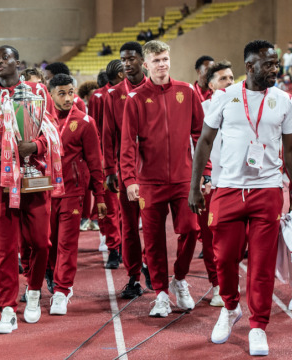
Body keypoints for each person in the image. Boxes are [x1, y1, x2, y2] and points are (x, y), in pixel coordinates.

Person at [189, 40, 292, 356]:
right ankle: (230, 308)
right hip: (228, 189)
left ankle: (258, 326)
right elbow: (204, 143)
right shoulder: (225, 97)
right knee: (224, 258)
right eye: (269, 64)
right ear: (250, 66)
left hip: (268, 189)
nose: (275, 69)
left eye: (277, 64)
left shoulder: (284, 101)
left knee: (261, 265)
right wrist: (195, 187)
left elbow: (291, 149)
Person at [0, 45, 57, 333]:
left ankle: (33, 291)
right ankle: (7, 307)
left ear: (18, 63)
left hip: (34, 179)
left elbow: (52, 130)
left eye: (5, 57)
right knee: (5, 250)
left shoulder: (38, 92)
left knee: (41, 243)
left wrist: (35, 146)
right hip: (2, 184)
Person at [120, 40, 207, 317]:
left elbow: (201, 135)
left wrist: (205, 172)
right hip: (150, 182)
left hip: (184, 180)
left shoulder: (187, 91)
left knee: (192, 229)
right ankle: (159, 293)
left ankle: (179, 278)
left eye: (165, 59)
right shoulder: (135, 99)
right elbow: (127, 143)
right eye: (156, 60)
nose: (162, 65)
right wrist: (130, 179)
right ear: (146, 65)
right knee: (155, 241)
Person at [47, 74, 106, 315]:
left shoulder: (85, 122)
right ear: (50, 95)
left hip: (72, 192)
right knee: (45, 244)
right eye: (61, 93)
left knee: (67, 244)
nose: (67, 98)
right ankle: (50, 278)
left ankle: (62, 290)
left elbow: (95, 161)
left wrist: (100, 196)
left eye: (70, 92)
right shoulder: (40, 121)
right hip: (44, 192)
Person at [102, 42, 149, 298]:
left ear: (142, 60)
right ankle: (133, 277)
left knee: (153, 226)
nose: (127, 63)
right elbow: (107, 135)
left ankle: (153, 267)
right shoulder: (113, 94)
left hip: (154, 171)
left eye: (132, 59)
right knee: (129, 227)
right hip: (126, 170)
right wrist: (110, 170)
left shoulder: (156, 90)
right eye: (123, 59)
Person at [197, 60, 235, 307]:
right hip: (210, 184)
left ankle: (232, 282)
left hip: (236, 183)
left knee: (235, 241)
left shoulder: (243, 108)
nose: (230, 83)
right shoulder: (200, 109)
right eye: (223, 79)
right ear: (210, 85)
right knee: (210, 238)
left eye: (232, 78)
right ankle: (217, 285)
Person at [87, 60, 124, 268]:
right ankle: (113, 248)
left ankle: (126, 250)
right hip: (106, 158)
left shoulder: (133, 93)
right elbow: (95, 129)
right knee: (110, 206)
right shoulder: (100, 96)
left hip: (129, 159)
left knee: (127, 210)